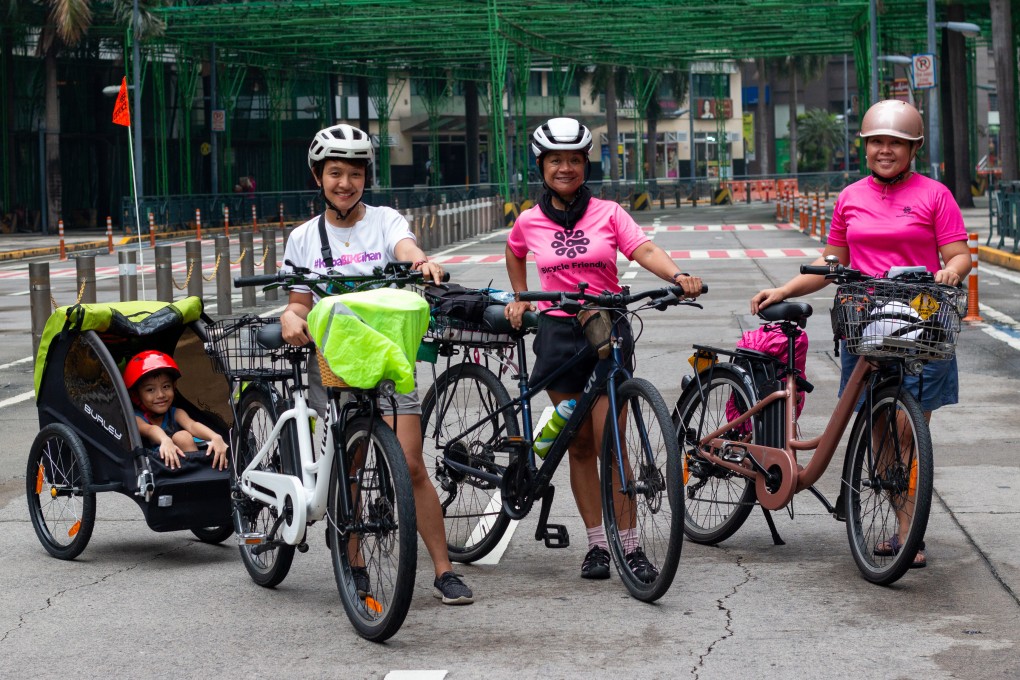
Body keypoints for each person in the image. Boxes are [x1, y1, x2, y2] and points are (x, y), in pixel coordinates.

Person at [750, 99, 972, 568]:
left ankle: (908, 533)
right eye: (876, 142)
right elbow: (833, 264)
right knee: (876, 427)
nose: (884, 150)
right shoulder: (850, 197)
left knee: (910, 431)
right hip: (865, 323)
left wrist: (950, 272)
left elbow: (959, 255)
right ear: (866, 148)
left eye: (895, 143)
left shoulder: (936, 195)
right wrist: (785, 287)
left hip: (921, 320)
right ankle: (906, 528)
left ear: (913, 149)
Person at [502, 117, 704, 581]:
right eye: (556, 161)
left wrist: (677, 276)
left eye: (574, 160)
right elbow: (514, 250)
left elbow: (644, 250)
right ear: (542, 166)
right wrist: (519, 295)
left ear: (585, 163)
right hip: (556, 336)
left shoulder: (610, 213)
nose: (566, 168)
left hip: (606, 332)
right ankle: (596, 545)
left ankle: (629, 546)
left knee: (612, 444)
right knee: (579, 445)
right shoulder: (529, 221)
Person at [279, 123, 473, 605]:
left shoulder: (386, 221)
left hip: (387, 360)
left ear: (367, 176)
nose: (345, 183)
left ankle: (444, 569)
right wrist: (289, 316)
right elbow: (299, 302)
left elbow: (406, 250)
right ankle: (355, 561)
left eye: (355, 173)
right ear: (318, 177)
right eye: (335, 173)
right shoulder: (303, 238)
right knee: (349, 468)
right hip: (335, 365)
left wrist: (420, 262)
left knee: (409, 465)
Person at [124, 350, 229, 472]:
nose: (161, 395)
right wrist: (165, 440)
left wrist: (215, 437)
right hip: (158, 471)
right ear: (136, 395)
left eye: (166, 387)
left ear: (174, 387)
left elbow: (192, 425)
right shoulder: (136, 419)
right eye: (150, 390)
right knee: (179, 436)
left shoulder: (175, 413)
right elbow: (151, 430)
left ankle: (199, 473)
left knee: (182, 436)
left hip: (185, 466)